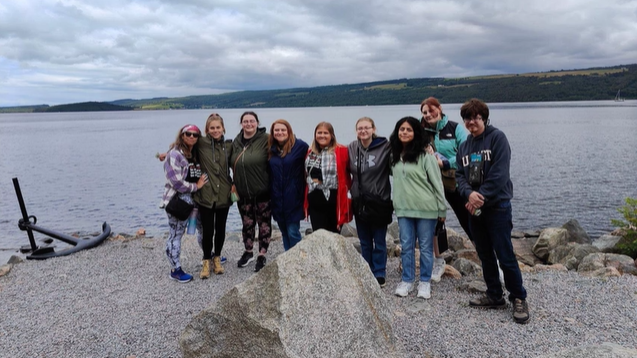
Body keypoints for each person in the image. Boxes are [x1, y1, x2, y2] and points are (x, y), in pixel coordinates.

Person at [455, 98, 529, 324]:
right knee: (485, 254)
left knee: (505, 255)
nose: (471, 122)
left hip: (497, 208)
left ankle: (518, 297)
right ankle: (494, 295)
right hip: (475, 211)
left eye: (476, 117)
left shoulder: (498, 138)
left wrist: (480, 197)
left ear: (484, 118)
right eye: (467, 118)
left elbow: (500, 174)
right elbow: (459, 175)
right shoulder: (465, 146)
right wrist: (468, 193)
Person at [390, 117, 446, 299]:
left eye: (409, 129)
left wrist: (441, 209)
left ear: (416, 133)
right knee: (406, 246)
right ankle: (407, 281)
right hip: (404, 209)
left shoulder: (425, 156)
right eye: (401, 129)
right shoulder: (395, 156)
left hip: (426, 209)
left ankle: (424, 282)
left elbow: (437, 183)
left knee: (425, 247)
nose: (404, 132)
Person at [420, 97, 470, 282]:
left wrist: (445, 162)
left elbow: (466, 154)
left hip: (454, 183)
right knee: (436, 223)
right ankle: (439, 262)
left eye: (431, 110)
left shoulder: (454, 128)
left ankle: (488, 258)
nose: (428, 114)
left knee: (469, 220)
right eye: (424, 112)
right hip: (430, 185)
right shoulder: (420, 130)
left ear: (439, 109)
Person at [348, 117, 392, 287]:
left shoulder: (385, 147)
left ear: (373, 129)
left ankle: (380, 272)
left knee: (379, 240)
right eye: (360, 128)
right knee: (364, 240)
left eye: (367, 128)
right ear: (356, 130)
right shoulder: (352, 147)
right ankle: (366, 269)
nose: (363, 131)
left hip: (379, 200)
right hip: (359, 200)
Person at [161, 124, 208, 283]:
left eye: (196, 135)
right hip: (178, 202)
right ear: (182, 135)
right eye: (189, 134)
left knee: (203, 228)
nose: (192, 137)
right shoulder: (174, 154)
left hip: (195, 201)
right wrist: (197, 186)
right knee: (176, 234)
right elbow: (176, 182)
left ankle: (208, 256)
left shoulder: (194, 153)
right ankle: (175, 269)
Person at [231, 111, 272, 272]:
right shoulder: (236, 142)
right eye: (245, 121)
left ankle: (262, 254)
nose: (248, 124)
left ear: (257, 122)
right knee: (247, 225)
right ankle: (248, 252)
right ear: (241, 123)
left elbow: (286, 144)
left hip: (262, 191)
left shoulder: (266, 139)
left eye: (251, 121)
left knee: (264, 225)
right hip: (243, 193)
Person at [194, 113, 233, 279]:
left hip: (224, 193)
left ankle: (217, 258)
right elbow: (183, 147)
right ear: (207, 130)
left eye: (218, 127)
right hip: (206, 194)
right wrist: (167, 155)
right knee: (207, 230)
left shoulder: (229, 145)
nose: (215, 130)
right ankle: (206, 260)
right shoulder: (201, 143)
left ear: (223, 128)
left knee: (221, 229)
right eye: (212, 128)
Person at [268, 119, 309, 251]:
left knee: (293, 232)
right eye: (277, 130)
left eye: (283, 130)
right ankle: (288, 257)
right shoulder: (271, 149)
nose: (280, 132)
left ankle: (298, 260)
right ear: (273, 133)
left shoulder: (300, 146)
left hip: (293, 197)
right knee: (284, 232)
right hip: (277, 198)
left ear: (289, 131)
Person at [304, 122, 352, 233]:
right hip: (315, 198)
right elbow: (306, 174)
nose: (322, 135)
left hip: (334, 198)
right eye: (319, 133)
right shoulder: (310, 152)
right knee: (318, 235)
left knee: (334, 235)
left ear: (332, 135)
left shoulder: (341, 151)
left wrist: (348, 191)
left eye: (326, 133)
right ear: (315, 135)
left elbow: (351, 171)